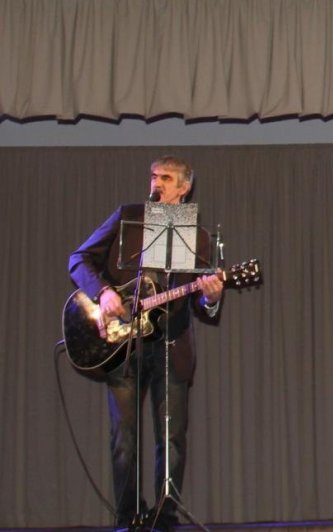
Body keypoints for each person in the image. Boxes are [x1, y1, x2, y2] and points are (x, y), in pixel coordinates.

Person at [68, 156, 224, 532]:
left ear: (184, 187)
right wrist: (104, 292)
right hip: (124, 346)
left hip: (171, 344)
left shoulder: (199, 237)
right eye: (154, 177)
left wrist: (211, 297)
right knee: (124, 437)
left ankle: (164, 519)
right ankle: (128, 518)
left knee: (171, 439)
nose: (157, 183)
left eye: (166, 178)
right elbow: (79, 259)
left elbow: (202, 305)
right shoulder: (129, 218)